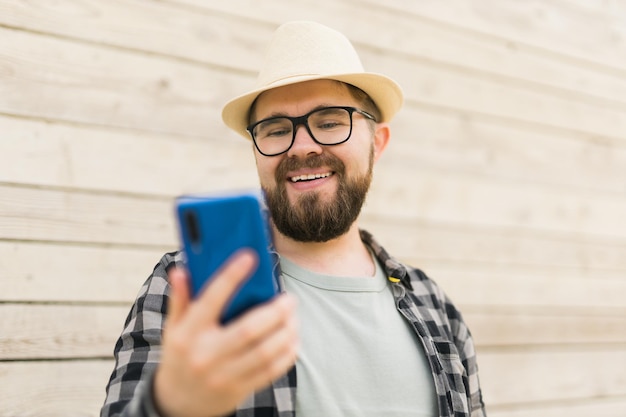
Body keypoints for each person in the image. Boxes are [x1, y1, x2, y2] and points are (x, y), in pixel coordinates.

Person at [101, 21, 487, 417]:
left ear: (378, 142)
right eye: (276, 129)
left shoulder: (435, 306)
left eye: (330, 122)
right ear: (256, 152)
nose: (302, 146)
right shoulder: (189, 287)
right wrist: (170, 405)